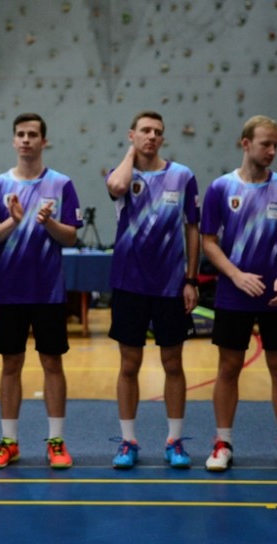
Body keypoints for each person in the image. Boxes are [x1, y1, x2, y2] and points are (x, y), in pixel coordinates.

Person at [0, 113, 83, 469]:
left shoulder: (62, 184)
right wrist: (13, 221)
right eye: (20, 134)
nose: (26, 140)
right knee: (11, 365)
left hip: (48, 291)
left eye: (33, 134)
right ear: (13, 140)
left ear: (43, 141)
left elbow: (71, 236)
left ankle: (56, 441)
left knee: (52, 363)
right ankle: (9, 442)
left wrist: (48, 221)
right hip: (9, 291)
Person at [199, 115, 277, 473]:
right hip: (234, 293)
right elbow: (208, 242)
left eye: (276, 144)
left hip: (276, 294)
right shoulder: (220, 188)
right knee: (228, 367)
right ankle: (223, 442)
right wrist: (236, 276)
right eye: (265, 144)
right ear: (245, 144)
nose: (272, 151)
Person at [105, 110, 200, 469]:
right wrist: (132, 155)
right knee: (129, 365)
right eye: (144, 131)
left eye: (158, 132)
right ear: (131, 135)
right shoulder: (122, 173)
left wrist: (191, 279)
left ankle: (174, 441)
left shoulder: (182, 176)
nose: (152, 136)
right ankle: (128, 441)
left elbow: (192, 228)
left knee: (173, 364)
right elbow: (116, 187)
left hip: (170, 286)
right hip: (129, 284)